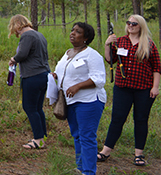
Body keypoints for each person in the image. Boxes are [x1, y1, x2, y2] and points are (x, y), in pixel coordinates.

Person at [97, 14, 160, 167]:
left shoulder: (149, 44)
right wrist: (107, 45)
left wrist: (155, 87)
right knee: (117, 118)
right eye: (129, 23)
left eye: (135, 24)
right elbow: (110, 59)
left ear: (141, 26)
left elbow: (157, 67)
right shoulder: (119, 42)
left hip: (143, 88)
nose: (131, 26)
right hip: (122, 88)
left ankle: (139, 154)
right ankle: (106, 151)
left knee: (141, 119)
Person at [52, 22, 106, 175]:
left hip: (88, 101)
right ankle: (81, 167)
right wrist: (54, 76)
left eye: (78, 32)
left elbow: (99, 79)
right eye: (72, 30)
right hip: (70, 101)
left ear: (86, 37)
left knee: (87, 136)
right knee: (76, 135)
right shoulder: (67, 53)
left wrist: (78, 86)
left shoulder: (92, 55)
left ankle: (89, 171)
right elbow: (60, 71)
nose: (73, 33)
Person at [8, 14, 50, 150]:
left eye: (13, 28)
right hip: (44, 74)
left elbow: (23, 54)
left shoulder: (26, 36)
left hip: (32, 76)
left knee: (29, 107)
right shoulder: (39, 35)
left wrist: (14, 59)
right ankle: (42, 137)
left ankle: (37, 140)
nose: (15, 32)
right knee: (38, 108)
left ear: (17, 25)